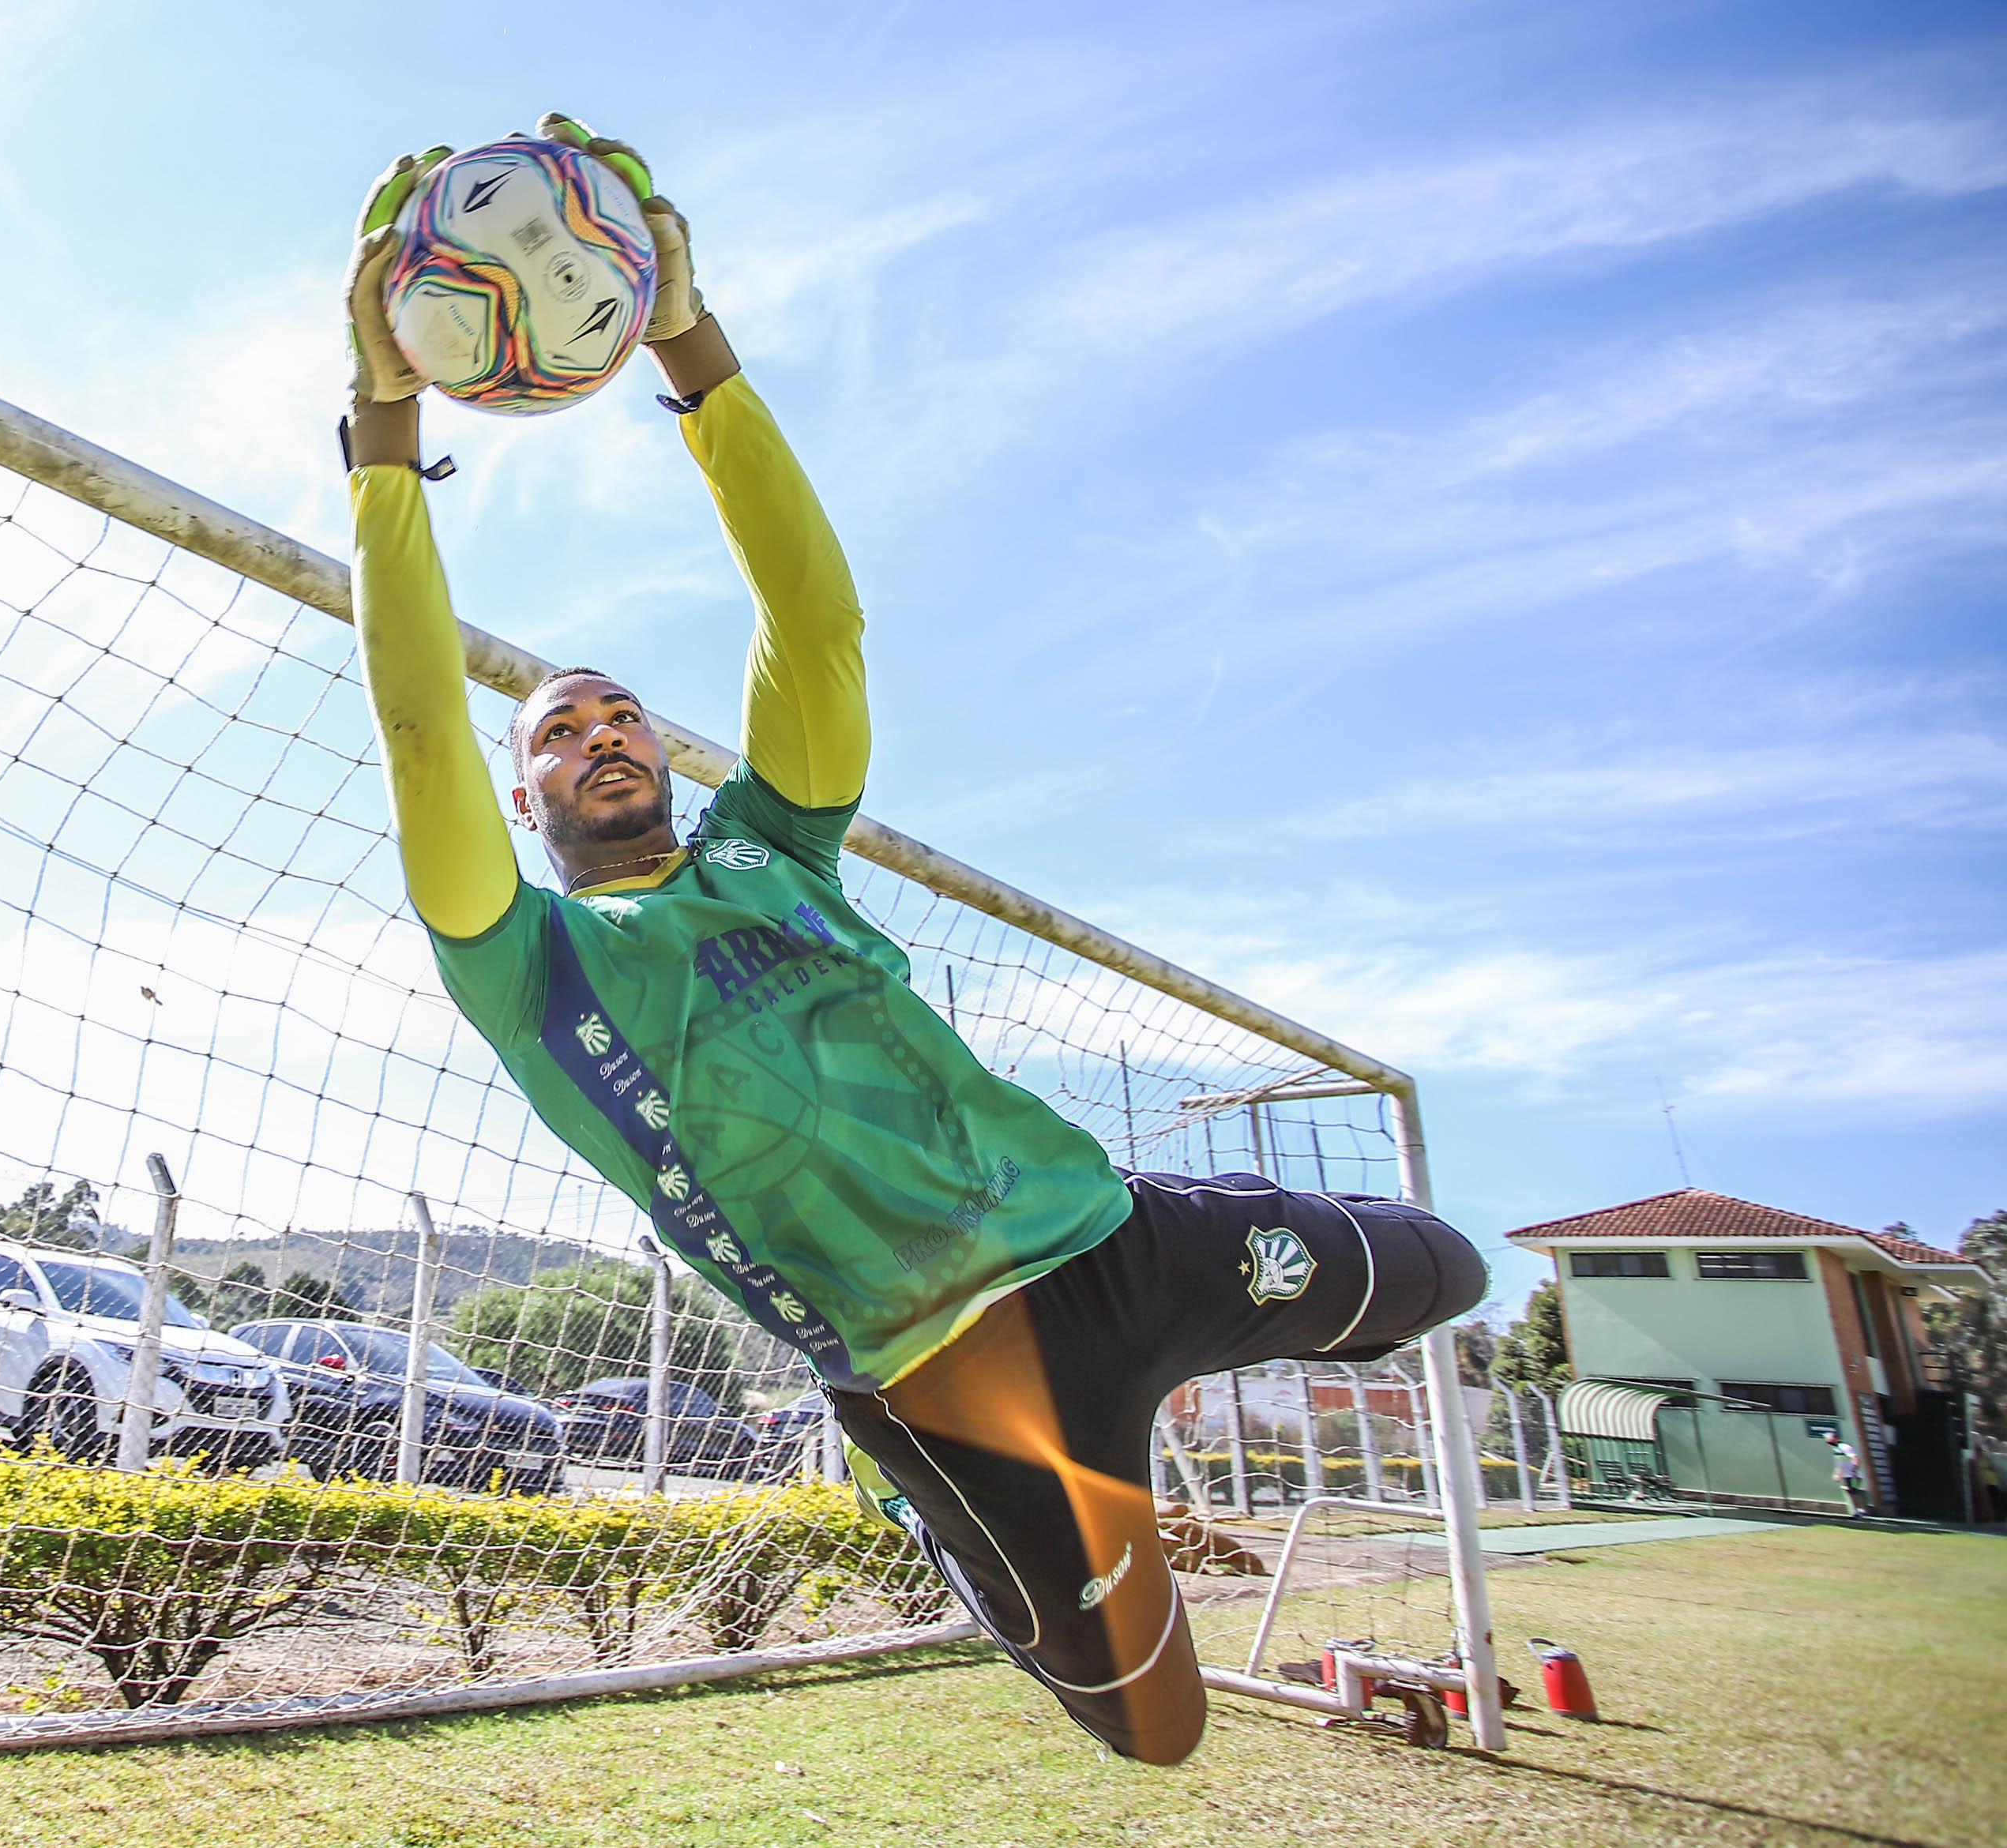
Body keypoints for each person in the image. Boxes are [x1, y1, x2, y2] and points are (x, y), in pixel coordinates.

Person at [340, 117, 1486, 1765]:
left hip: (1110, 1240)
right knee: (1156, 1731)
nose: (596, 732)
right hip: (944, 1375)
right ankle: (967, 1515)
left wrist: (686, 334)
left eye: (620, 713)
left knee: (1446, 1269)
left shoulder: (773, 848)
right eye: (554, 731)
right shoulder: (523, 963)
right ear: (522, 800)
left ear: (665, 750)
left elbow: (813, 621)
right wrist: (384, 419)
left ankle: (1251, 1323)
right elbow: (411, 727)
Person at [1832, 1435, 1868, 1517]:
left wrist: (1854, 1472)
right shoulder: (1836, 1449)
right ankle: (1857, 1510)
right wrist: (1838, 1475)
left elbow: (1855, 1458)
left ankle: (1861, 1510)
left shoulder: (1845, 1447)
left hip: (1853, 1475)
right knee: (1851, 1492)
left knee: (1854, 1491)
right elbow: (1840, 1465)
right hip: (1847, 1475)